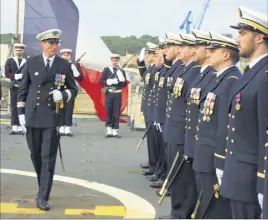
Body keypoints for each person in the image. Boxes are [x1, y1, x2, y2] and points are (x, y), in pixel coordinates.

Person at [17, 29, 78, 211]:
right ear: (42, 44)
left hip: (51, 117)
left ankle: (43, 195)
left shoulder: (63, 65)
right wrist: (20, 113)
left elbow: (74, 89)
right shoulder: (32, 62)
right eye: (50, 43)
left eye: (56, 43)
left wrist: (64, 94)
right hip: (32, 115)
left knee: (48, 158)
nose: (54, 46)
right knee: (36, 156)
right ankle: (42, 185)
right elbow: (23, 89)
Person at [219, 6, 268, 219]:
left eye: (242, 34)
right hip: (238, 174)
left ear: (259, 38)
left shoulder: (265, 76)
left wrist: (262, 183)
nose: (237, 39)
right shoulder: (251, 73)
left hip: (251, 179)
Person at [192, 31, 241, 219]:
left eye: (213, 50)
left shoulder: (231, 81)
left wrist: (221, 161)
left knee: (215, 208)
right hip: (205, 152)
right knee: (205, 202)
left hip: (214, 155)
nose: (208, 53)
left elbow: (225, 125)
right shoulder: (219, 79)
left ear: (226, 55)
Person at [160, 32, 199, 219]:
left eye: (182, 47)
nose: (179, 50)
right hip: (174, 128)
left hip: (182, 130)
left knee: (183, 177)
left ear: (192, 50)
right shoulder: (184, 69)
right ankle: (176, 210)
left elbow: (191, 108)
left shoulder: (193, 72)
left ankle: (182, 212)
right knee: (176, 174)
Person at [137, 43, 159, 176]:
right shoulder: (151, 69)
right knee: (151, 139)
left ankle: (155, 164)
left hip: (154, 109)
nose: (146, 56)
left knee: (155, 140)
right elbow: (144, 76)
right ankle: (152, 162)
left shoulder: (155, 69)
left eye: (148, 54)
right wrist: (140, 63)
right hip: (149, 107)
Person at [99, 53, 127, 138]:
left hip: (118, 93)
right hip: (110, 93)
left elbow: (124, 84)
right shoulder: (107, 69)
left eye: (116, 60)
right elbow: (101, 81)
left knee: (116, 112)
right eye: (113, 60)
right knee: (108, 111)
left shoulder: (121, 71)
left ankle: (115, 130)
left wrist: (121, 77)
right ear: (111, 61)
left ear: (118, 61)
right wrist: (108, 82)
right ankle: (109, 130)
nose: (114, 62)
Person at [59, 48, 83, 136]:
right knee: (61, 108)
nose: (65, 57)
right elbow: (58, 79)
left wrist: (75, 70)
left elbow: (80, 78)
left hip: (71, 90)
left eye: (67, 55)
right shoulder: (58, 65)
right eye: (64, 55)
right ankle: (61, 127)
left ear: (70, 56)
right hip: (61, 89)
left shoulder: (74, 65)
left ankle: (67, 128)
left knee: (69, 108)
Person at [4, 43, 27, 135]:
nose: (19, 51)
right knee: (14, 107)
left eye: (20, 50)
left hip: (24, 87)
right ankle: (14, 127)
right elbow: (6, 73)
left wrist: (23, 76)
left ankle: (21, 126)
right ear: (14, 51)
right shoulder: (10, 61)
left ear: (23, 51)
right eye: (17, 50)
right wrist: (15, 76)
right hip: (14, 86)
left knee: (22, 107)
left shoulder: (27, 61)